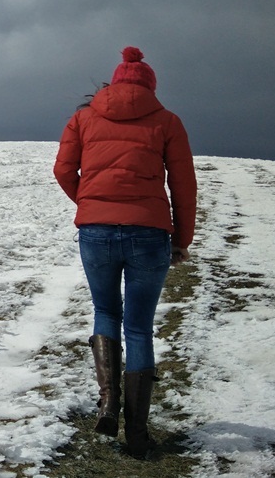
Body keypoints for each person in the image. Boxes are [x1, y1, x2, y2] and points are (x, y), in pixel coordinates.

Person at [53, 46, 197, 459]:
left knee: (105, 312)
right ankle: (137, 432)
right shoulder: (168, 122)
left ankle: (108, 403)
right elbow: (183, 185)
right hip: (149, 234)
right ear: (150, 87)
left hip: (96, 232)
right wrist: (181, 239)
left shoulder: (84, 117)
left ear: (114, 84)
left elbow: (63, 168)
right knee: (138, 327)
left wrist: (91, 204)